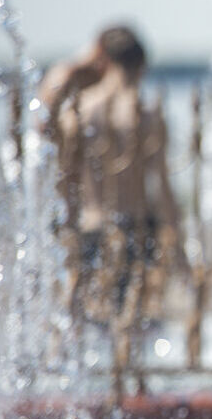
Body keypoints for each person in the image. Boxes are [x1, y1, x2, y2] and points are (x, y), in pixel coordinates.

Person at [38, 25, 185, 321]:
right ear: (141, 66)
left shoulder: (80, 112)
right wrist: (180, 248)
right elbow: (164, 189)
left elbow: (46, 136)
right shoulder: (148, 115)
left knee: (89, 325)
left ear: (102, 59)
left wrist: (74, 66)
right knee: (138, 328)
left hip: (92, 228)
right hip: (140, 230)